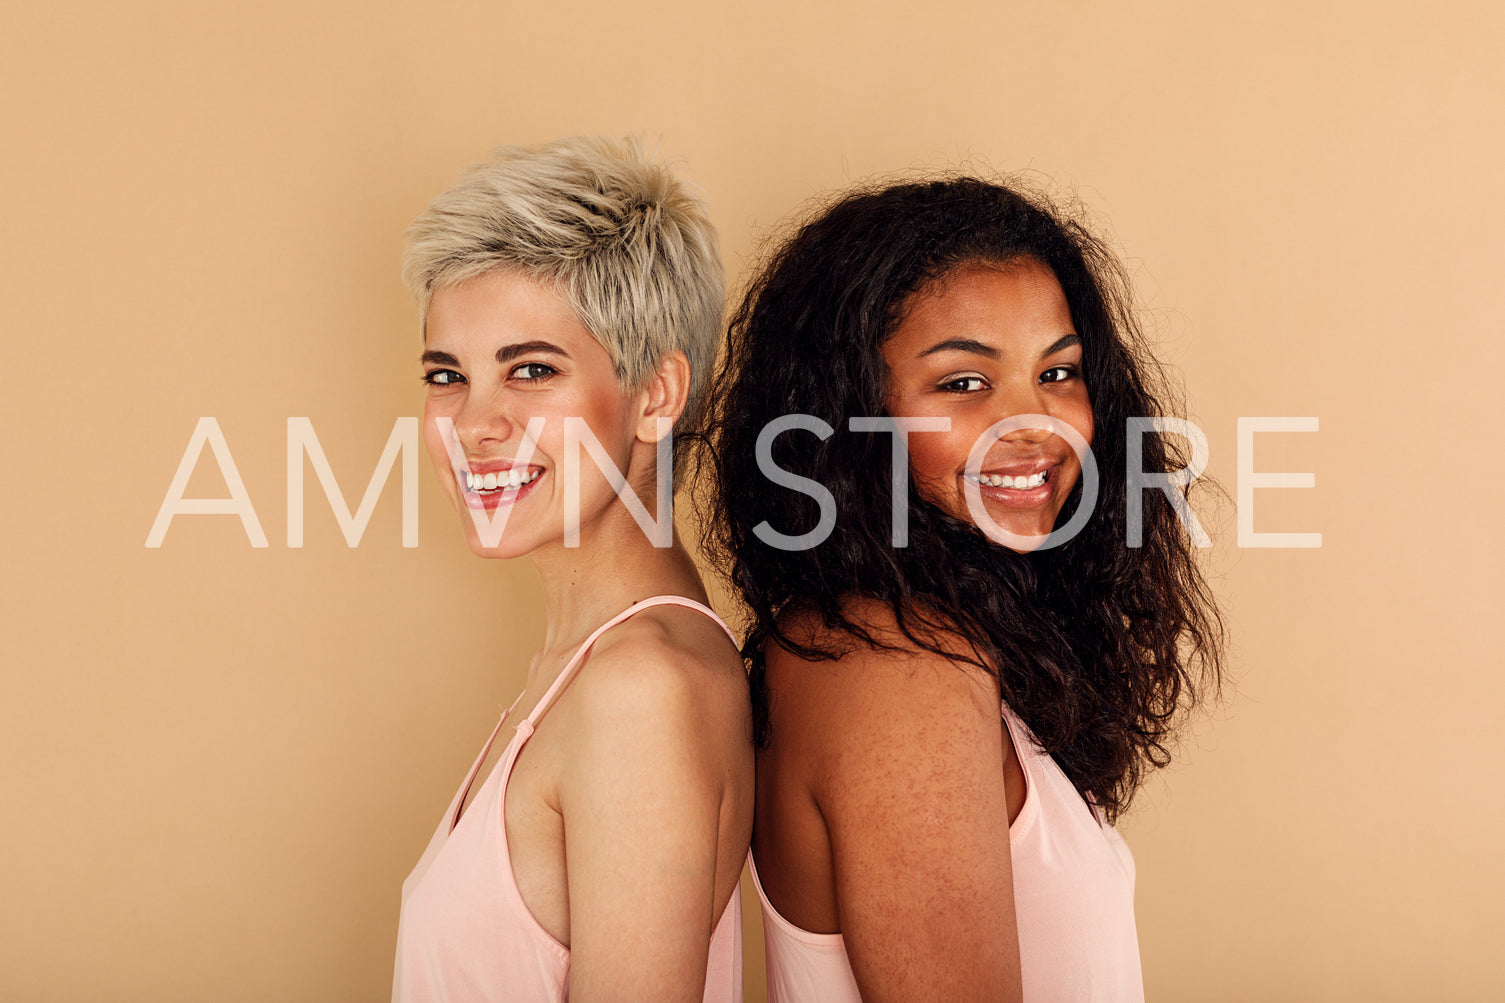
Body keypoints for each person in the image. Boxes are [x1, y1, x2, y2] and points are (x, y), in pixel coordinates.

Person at [701, 176, 1223, 1002]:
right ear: (845, 413)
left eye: (1058, 372)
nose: (1036, 424)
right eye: (963, 383)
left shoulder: (894, 636)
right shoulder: (896, 664)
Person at [392, 136, 753, 1003]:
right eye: (448, 374)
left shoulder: (639, 689)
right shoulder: (590, 667)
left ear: (657, 396)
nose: (475, 422)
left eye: (531, 369)